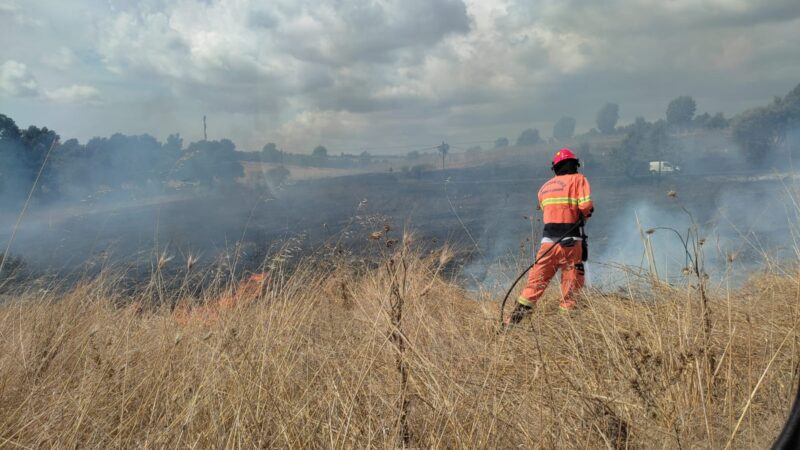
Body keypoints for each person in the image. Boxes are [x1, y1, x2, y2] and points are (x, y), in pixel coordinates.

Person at [507, 148, 594, 324]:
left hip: (548, 245)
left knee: (534, 286)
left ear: (555, 168)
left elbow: (547, 209)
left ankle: (510, 325)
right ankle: (568, 330)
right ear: (575, 165)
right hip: (571, 243)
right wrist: (586, 214)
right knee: (570, 291)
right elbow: (586, 206)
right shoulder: (579, 180)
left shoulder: (544, 188)